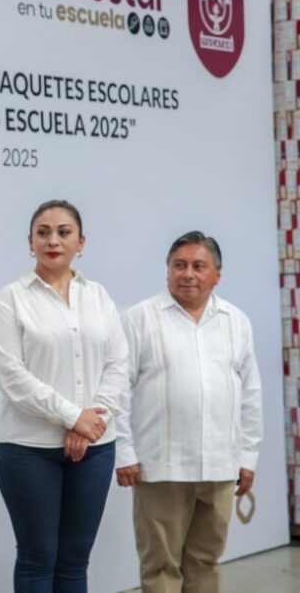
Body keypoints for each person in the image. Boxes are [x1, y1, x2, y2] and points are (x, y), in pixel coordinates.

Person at [0, 199, 129, 592]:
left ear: (80, 242)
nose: (53, 240)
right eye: (43, 232)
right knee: (37, 560)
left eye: (64, 232)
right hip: (28, 450)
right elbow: (12, 377)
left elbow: (118, 363)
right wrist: (73, 417)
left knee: (74, 563)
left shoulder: (98, 296)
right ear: (29, 242)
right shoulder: (10, 299)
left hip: (96, 447)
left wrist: (88, 423)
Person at [115, 231, 262, 592]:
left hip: (220, 465)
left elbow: (251, 394)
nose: (188, 274)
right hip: (160, 466)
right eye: (179, 265)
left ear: (217, 275)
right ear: (167, 271)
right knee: (160, 565)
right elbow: (116, 390)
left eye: (199, 266)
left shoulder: (235, 320)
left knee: (205, 561)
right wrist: (125, 452)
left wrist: (247, 456)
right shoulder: (140, 319)